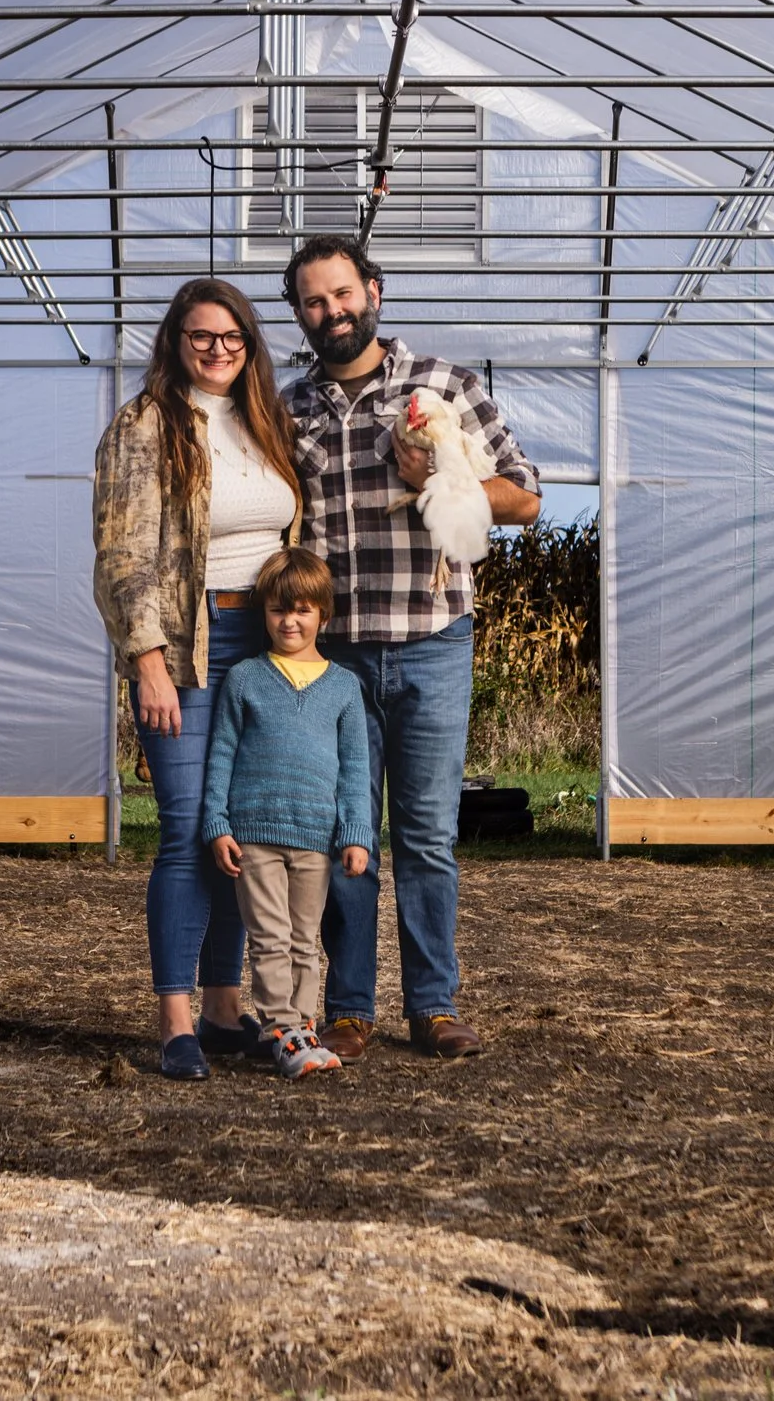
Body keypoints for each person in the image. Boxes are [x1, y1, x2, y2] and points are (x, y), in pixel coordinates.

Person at [278, 235, 540, 1063]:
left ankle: (433, 1002)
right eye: (315, 302)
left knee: (426, 834)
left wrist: (439, 480)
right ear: (301, 314)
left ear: (375, 292)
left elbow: (526, 497)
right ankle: (350, 1007)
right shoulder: (288, 408)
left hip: (431, 641)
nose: (333, 312)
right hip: (336, 657)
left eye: (343, 293)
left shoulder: (445, 386)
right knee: (345, 834)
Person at [92, 277, 302, 1080]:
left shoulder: (266, 422)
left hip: (267, 642)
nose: (218, 350)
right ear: (175, 342)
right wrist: (146, 660)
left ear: (250, 345)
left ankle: (222, 1009)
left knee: (236, 832)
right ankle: (175, 1020)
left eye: (232, 338)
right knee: (185, 827)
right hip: (186, 643)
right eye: (201, 337)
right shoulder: (143, 425)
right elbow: (121, 555)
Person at [203, 548, 374, 1080]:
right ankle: (280, 1026)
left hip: (315, 838)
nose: (290, 621)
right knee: (271, 938)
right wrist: (217, 822)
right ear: (265, 614)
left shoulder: (344, 687)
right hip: (254, 835)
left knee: (305, 938)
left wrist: (355, 833)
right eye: (279, 610)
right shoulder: (245, 678)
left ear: (324, 614)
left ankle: (301, 1025)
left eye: (302, 610)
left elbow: (355, 769)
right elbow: (222, 754)